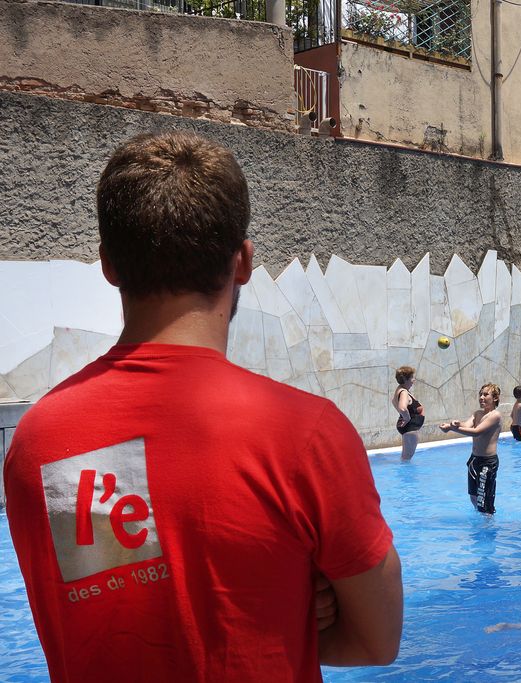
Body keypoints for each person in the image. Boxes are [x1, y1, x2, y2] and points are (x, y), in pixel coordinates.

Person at [2, 132, 403, 682]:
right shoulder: (306, 436)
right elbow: (377, 641)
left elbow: (117, 608)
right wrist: (286, 608)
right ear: (242, 261)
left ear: (109, 265)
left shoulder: (39, 440)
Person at [441, 384, 503, 514]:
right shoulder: (477, 413)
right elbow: (467, 425)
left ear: (495, 398)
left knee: (484, 499)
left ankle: (488, 524)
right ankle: (481, 520)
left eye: (485, 394)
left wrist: (452, 428)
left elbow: (476, 432)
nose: (481, 397)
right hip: (474, 460)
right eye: (480, 394)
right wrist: (456, 424)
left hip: (488, 463)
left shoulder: (495, 415)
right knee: (474, 496)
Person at [392, 365, 424, 460]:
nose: (413, 380)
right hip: (410, 428)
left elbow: (394, 401)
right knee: (406, 458)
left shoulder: (400, 390)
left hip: (409, 428)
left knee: (406, 457)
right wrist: (407, 418)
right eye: (411, 378)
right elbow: (402, 408)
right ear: (405, 379)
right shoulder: (404, 392)